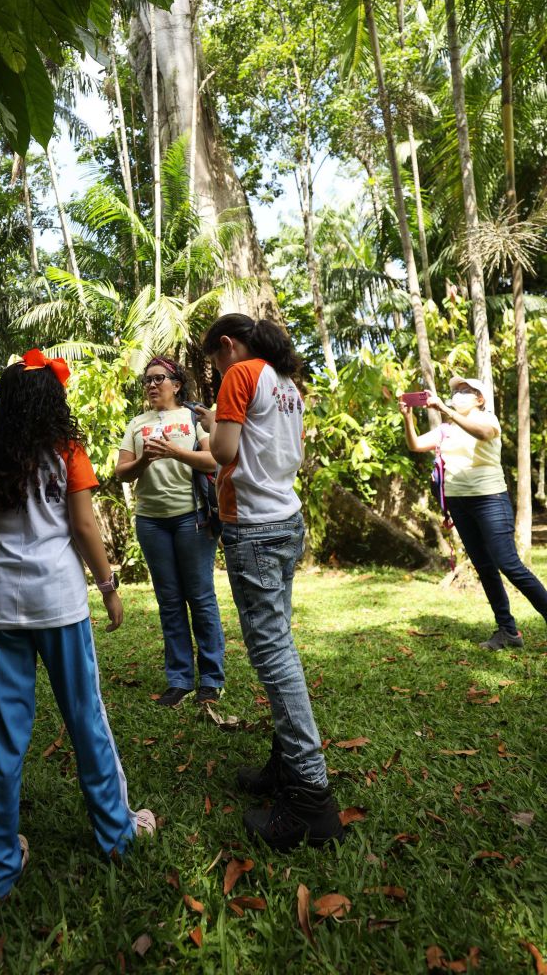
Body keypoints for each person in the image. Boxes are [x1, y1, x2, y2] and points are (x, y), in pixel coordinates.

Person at [0, 348, 155, 902]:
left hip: (1, 606)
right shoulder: (68, 450)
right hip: (60, 604)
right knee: (86, 720)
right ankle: (115, 834)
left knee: (1, 736)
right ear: (51, 401)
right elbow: (84, 524)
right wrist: (109, 586)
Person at [196, 313, 344, 852]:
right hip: (285, 520)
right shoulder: (288, 385)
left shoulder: (241, 374)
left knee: (272, 652)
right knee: (279, 642)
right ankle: (286, 765)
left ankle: (310, 796)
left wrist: (213, 421)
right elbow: (278, 451)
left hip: (254, 528)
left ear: (228, 346)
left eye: (215, 358)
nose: (216, 368)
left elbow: (224, 453)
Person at [400, 375, 547, 650]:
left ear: (479, 399)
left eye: (465, 391)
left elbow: (482, 434)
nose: (458, 394)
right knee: (485, 567)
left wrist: (444, 408)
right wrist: (408, 417)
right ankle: (508, 631)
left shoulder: (488, 419)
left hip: (490, 499)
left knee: (509, 564)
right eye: (455, 391)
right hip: (459, 503)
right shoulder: (446, 430)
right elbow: (415, 445)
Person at [115, 356, 225, 707]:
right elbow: (122, 473)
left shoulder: (195, 417)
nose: (151, 385)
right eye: (146, 380)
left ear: (176, 384)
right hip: (151, 521)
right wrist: (145, 459)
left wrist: (175, 452)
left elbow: (214, 461)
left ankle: (210, 679)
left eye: (158, 378)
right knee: (170, 601)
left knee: (201, 597)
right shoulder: (136, 423)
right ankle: (179, 680)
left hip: (192, 517)